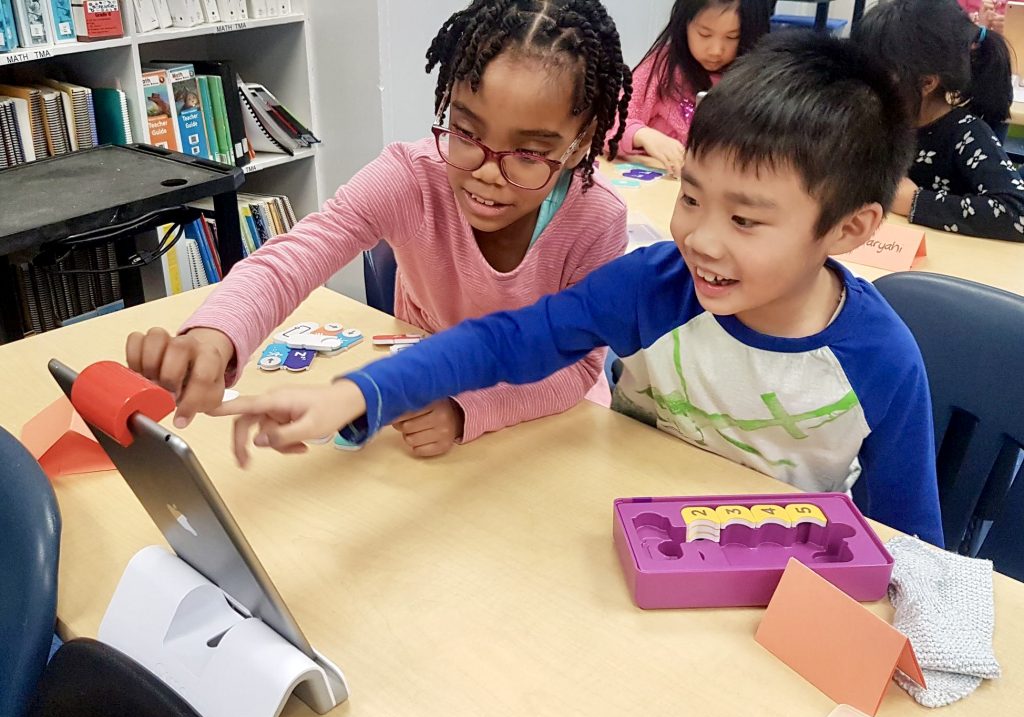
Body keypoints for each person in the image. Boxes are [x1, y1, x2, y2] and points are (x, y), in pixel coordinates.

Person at [214, 32, 945, 546]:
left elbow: (912, 551)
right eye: (690, 198)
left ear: (849, 229)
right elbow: (507, 341)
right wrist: (358, 395)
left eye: (746, 219)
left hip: (774, 582)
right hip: (617, 536)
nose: (700, 239)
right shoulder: (655, 287)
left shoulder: (880, 361)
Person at [126, 0, 633, 458]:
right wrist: (216, 334)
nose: (485, 169)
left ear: (582, 139)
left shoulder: (596, 220)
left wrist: (466, 408)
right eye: (465, 131)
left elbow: (578, 368)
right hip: (417, 388)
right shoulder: (411, 176)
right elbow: (297, 255)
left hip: (545, 426)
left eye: (528, 154)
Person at [855, 0, 1023, 242]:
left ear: (926, 83)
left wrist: (915, 202)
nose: (863, 85)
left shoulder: (966, 134)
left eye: (877, 75)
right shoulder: (872, 120)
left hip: (939, 267)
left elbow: (1018, 213)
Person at [614, 0, 769, 176]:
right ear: (684, 25)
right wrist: (641, 135)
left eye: (732, 37)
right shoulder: (662, 67)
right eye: (704, 34)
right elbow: (608, 122)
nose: (716, 50)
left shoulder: (756, 80)